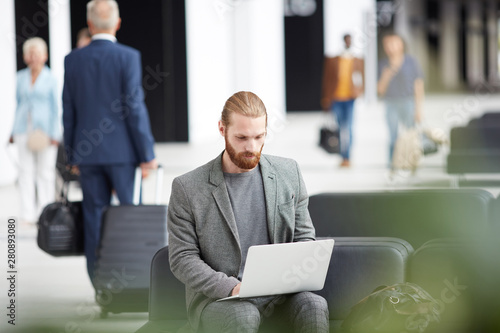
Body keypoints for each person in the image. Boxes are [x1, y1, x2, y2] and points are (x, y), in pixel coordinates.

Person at [167, 91, 329, 333]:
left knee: (314, 306)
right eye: (241, 137)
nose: (251, 147)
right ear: (222, 129)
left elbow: (304, 238)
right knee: (243, 313)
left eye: (259, 136)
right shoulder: (188, 188)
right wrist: (232, 288)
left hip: (281, 293)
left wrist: (291, 277)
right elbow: (182, 259)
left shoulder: (289, 173)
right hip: (220, 299)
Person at [62, 0, 157, 282]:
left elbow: (68, 111)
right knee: (130, 218)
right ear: (117, 23)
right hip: (123, 154)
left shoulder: (72, 59)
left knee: (94, 219)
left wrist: (72, 155)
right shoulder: (128, 56)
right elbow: (134, 109)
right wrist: (146, 153)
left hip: (88, 155)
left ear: (90, 25)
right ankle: (135, 282)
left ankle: (100, 285)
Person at [10, 37, 60, 226]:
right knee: (25, 171)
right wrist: (13, 130)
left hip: (45, 131)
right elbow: (19, 104)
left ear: (44, 56)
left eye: (37, 54)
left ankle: (44, 211)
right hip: (23, 129)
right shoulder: (20, 77)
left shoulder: (51, 79)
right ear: (25, 57)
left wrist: (55, 133)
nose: (33, 57)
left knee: (45, 172)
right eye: (30, 54)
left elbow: (56, 108)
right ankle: (27, 213)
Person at [377, 32, 424, 167]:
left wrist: (419, 109)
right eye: (387, 44)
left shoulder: (411, 62)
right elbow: (380, 90)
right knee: (393, 136)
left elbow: (418, 86)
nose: (390, 47)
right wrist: (386, 75)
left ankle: (412, 162)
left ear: (401, 45)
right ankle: (392, 164)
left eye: (393, 43)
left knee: (411, 135)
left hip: (408, 102)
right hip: (391, 103)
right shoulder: (383, 64)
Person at [321, 34, 364, 168]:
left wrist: (359, 91)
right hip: (336, 99)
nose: (348, 42)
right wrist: (326, 98)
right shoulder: (333, 60)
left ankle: (347, 156)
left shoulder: (357, 60)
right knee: (339, 129)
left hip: (350, 99)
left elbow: (362, 78)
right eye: (346, 40)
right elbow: (327, 80)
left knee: (349, 128)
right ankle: (342, 155)